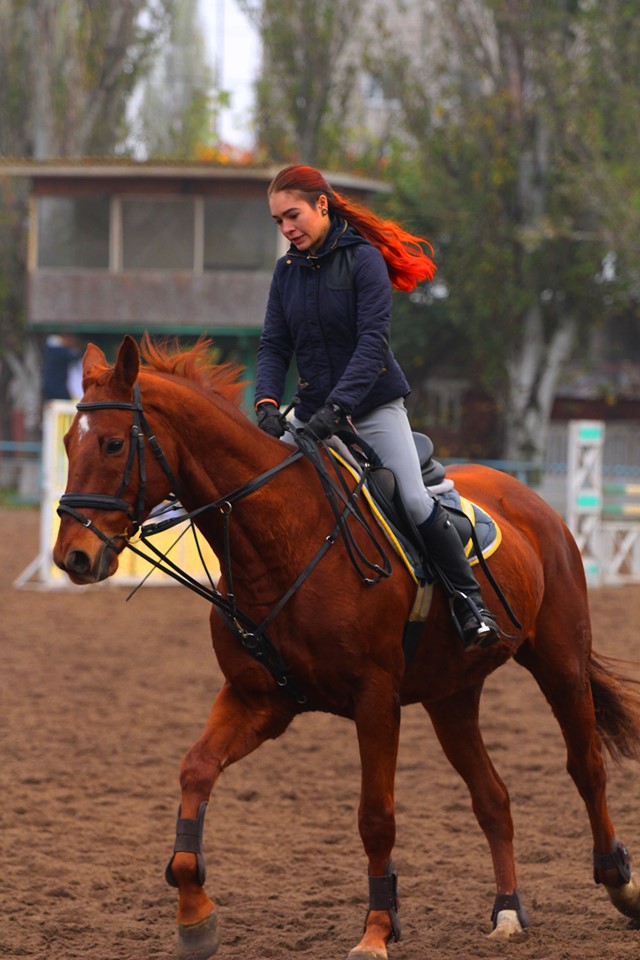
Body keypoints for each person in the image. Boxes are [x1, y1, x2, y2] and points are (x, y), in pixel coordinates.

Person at [254, 164, 498, 650]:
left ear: (322, 205)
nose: (287, 228)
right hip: (310, 413)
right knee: (260, 487)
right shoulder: (286, 271)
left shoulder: (363, 259)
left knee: (413, 500)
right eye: (278, 221)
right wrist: (265, 402)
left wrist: (337, 408)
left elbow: (372, 345)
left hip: (371, 408)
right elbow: (274, 345)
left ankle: (470, 604)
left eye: (293, 215)